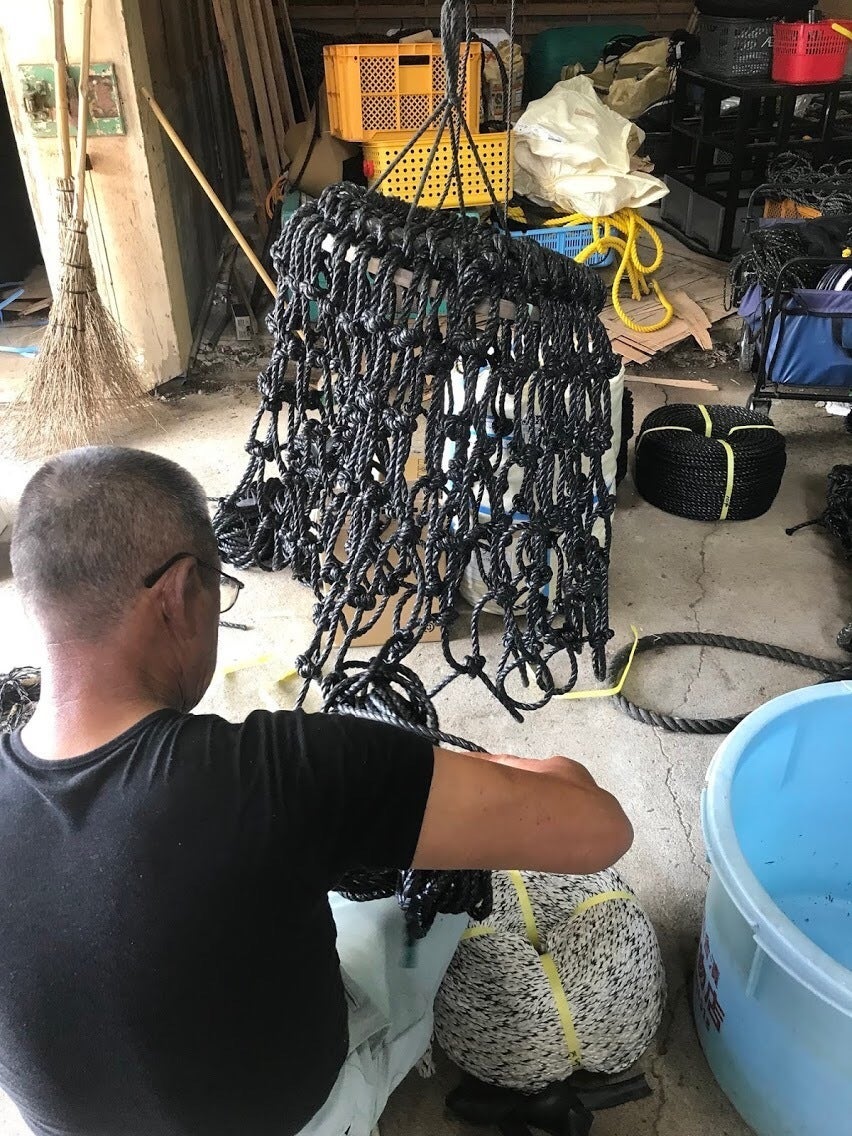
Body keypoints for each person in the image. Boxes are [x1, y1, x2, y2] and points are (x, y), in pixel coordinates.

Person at [0, 446, 632, 1136]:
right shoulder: (277, 771)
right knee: (422, 900)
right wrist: (485, 766)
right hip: (300, 1122)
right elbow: (600, 831)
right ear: (178, 595)